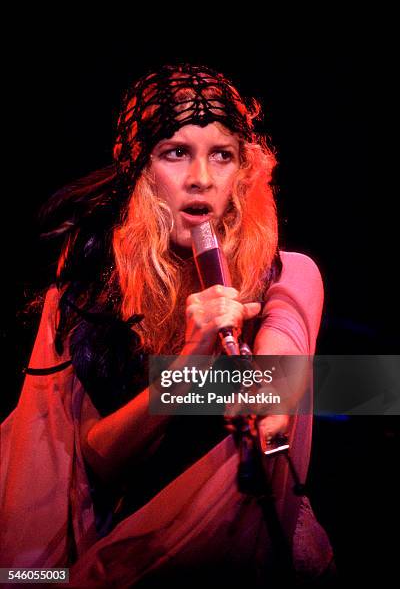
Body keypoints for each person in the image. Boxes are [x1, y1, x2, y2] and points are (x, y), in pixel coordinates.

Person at [2, 64, 334, 586]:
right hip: (119, 563)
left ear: (244, 173)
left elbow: (276, 386)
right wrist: (187, 363)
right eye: (176, 153)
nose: (201, 177)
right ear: (141, 172)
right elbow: (91, 462)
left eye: (221, 155)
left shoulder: (287, 275)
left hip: (249, 558)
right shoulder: (89, 294)